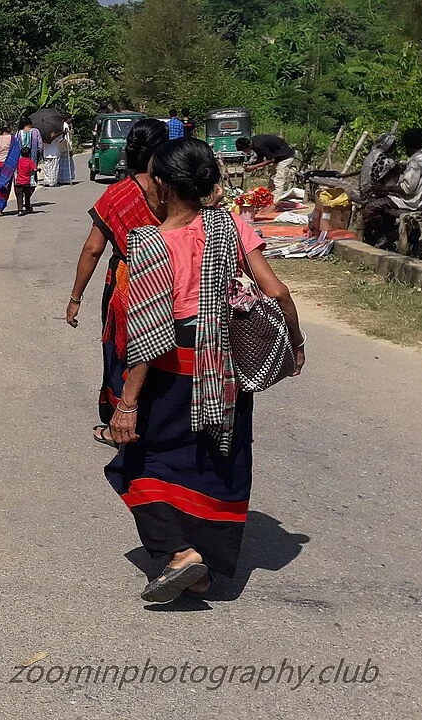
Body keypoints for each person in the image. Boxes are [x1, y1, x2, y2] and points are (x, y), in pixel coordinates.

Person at [106, 138, 305, 603]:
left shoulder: (151, 244)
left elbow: (149, 336)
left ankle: (179, 553)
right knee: (218, 463)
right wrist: (294, 346)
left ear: (159, 184)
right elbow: (276, 293)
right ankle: (203, 571)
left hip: (173, 371)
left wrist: (127, 404)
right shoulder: (232, 226)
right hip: (226, 374)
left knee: (137, 463)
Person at [66, 118, 170, 446]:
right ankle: (160, 421)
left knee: (122, 351)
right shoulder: (176, 187)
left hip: (128, 282)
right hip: (173, 279)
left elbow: (93, 249)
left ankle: (119, 424)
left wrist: (75, 297)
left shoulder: (116, 195)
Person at [362, 129, 422, 251]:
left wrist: (384, 189)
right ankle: (387, 233)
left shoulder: (416, 162)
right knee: (383, 206)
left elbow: (407, 189)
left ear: (407, 145)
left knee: (370, 208)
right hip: (421, 200)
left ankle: (382, 236)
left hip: (410, 201)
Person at [0, 126, 23, 217]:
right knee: (5, 186)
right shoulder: (12, 139)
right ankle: (0, 208)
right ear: (9, 130)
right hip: (7, 166)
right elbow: (16, 152)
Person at [14, 147, 38, 215]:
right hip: (27, 182)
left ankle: (20, 210)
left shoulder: (19, 161)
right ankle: (28, 208)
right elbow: (34, 169)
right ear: (29, 154)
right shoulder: (30, 161)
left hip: (19, 182)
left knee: (19, 196)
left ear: (21, 154)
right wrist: (38, 170)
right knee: (27, 196)